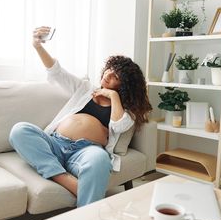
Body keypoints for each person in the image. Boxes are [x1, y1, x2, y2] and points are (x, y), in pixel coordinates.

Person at [9, 26, 152, 207]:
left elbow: (120, 125)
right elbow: (56, 72)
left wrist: (113, 96)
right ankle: (66, 180)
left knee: (100, 160)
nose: (108, 75)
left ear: (125, 86)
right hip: (55, 143)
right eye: (109, 69)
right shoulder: (85, 89)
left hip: (86, 151)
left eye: (115, 76)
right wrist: (38, 46)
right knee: (20, 130)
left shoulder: (125, 110)